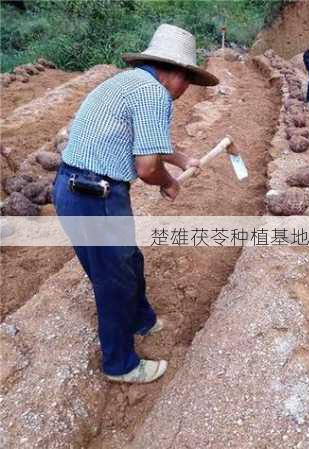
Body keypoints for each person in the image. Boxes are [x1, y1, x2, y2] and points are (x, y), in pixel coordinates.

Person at [52, 24, 219, 383]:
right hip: (93, 195)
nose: (186, 89)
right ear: (174, 72)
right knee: (113, 281)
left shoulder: (127, 83)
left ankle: (142, 318)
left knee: (129, 260)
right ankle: (120, 365)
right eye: (187, 80)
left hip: (76, 188)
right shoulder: (153, 95)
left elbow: (149, 140)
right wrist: (169, 182)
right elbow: (146, 167)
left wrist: (183, 158)